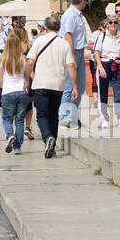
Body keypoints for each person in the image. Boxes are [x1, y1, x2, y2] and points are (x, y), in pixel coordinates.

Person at [27, 15, 71, 157]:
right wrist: (75, 85)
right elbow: (71, 65)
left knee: (42, 115)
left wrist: (26, 79)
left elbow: (29, 62)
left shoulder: (39, 40)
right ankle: (51, 144)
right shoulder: (64, 43)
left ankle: (48, 137)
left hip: (41, 83)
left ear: (45, 27)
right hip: (58, 84)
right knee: (53, 115)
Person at [91, 15, 120, 129]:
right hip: (104, 64)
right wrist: (101, 68)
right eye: (111, 23)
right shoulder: (102, 36)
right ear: (107, 24)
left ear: (118, 24)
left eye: (115, 22)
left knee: (119, 93)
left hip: (117, 65)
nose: (113, 25)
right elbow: (97, 53)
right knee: (103, 94)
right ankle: (104, 119)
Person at [0, 26, 33, 154]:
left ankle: (10, 135)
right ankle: (17, 147)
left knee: (7, 118)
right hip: (22, 92)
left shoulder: (2, 59)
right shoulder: (23, 60)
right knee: (19, 120)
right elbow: (27, 76)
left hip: (7, 92)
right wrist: (27, 84)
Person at [58, 0, 90, 128]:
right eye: (86, 0)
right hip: (73, 53)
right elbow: (68, 36)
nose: (87, 3)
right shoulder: (71, 15)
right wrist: (71, 56)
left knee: (80, 85)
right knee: (69, 86)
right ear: (82, 0)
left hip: (79, 51)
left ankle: (72, 115)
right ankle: (65, 118)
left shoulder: (76, 14)